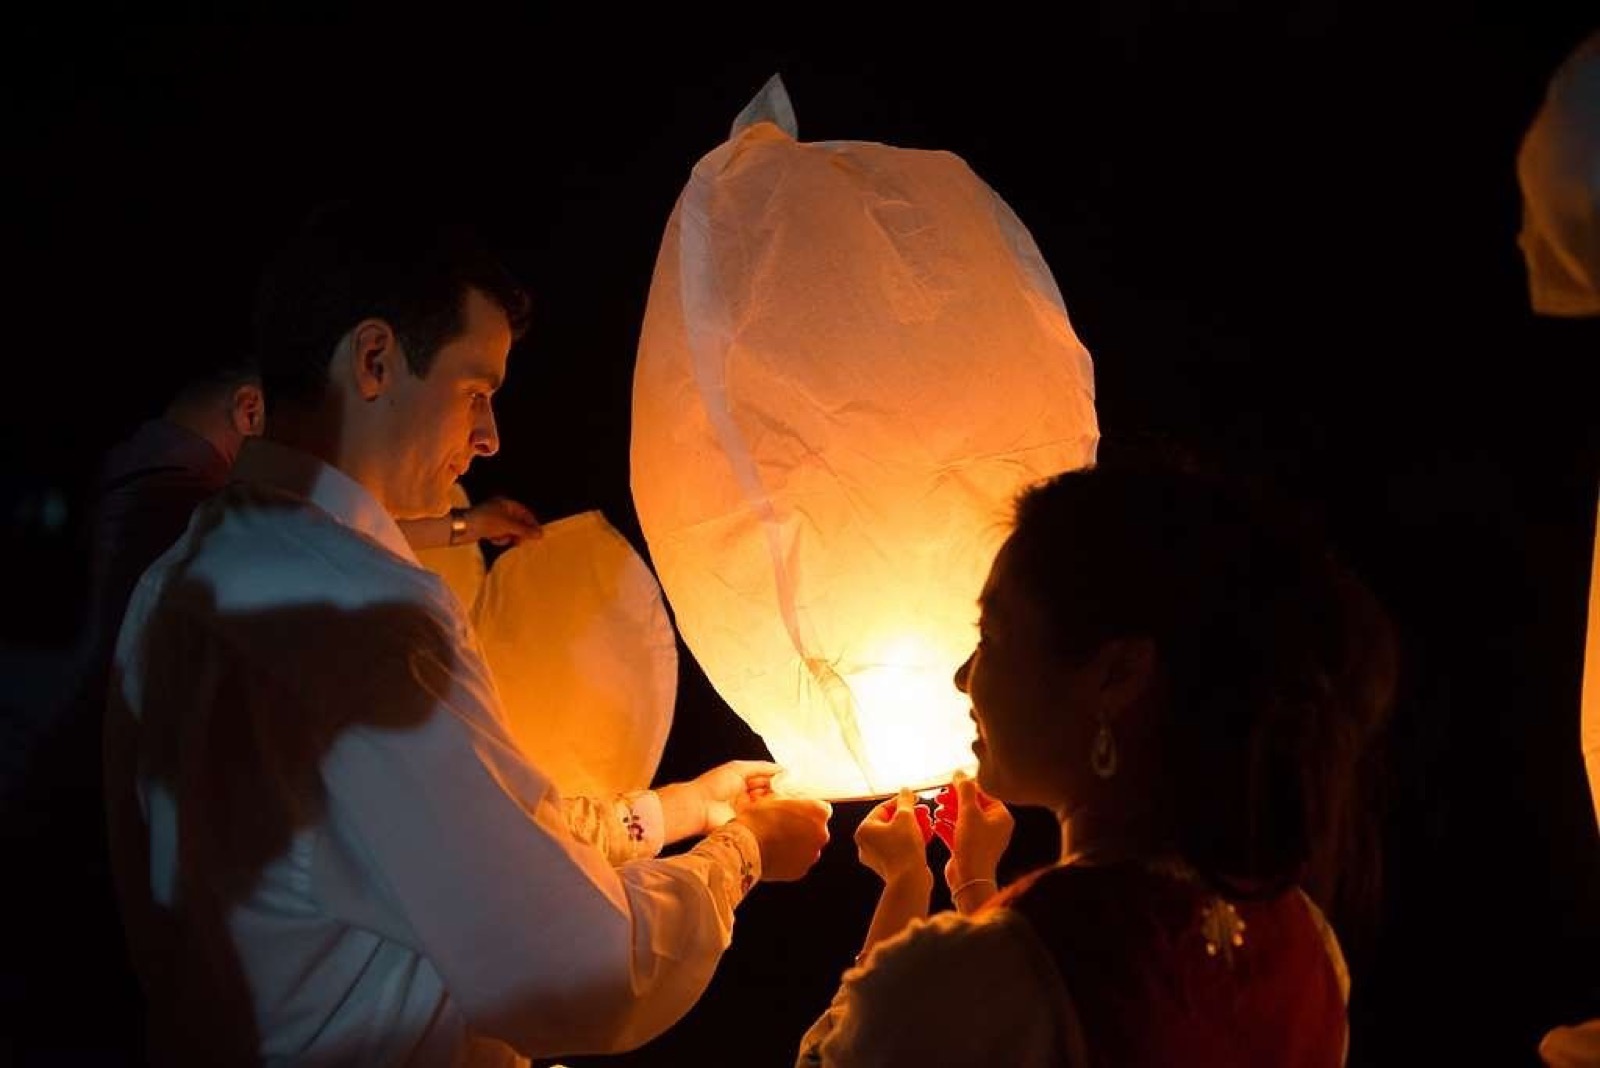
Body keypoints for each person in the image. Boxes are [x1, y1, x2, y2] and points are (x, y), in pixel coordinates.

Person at [102, 197, 833, 1067]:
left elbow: (476, 839)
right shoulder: (365, 620)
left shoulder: (182, 578)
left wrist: (683, 808)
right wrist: (742, 856)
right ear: (374, 359)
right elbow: (576, 968)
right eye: (476, 390)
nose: (488, 437)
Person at [797, 452, 1396, 1066]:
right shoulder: (1307, 947)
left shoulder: (978, 976)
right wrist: (973, 878)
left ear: (1116, 675)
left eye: (991, 639)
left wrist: (904, 885)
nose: (961, 678)